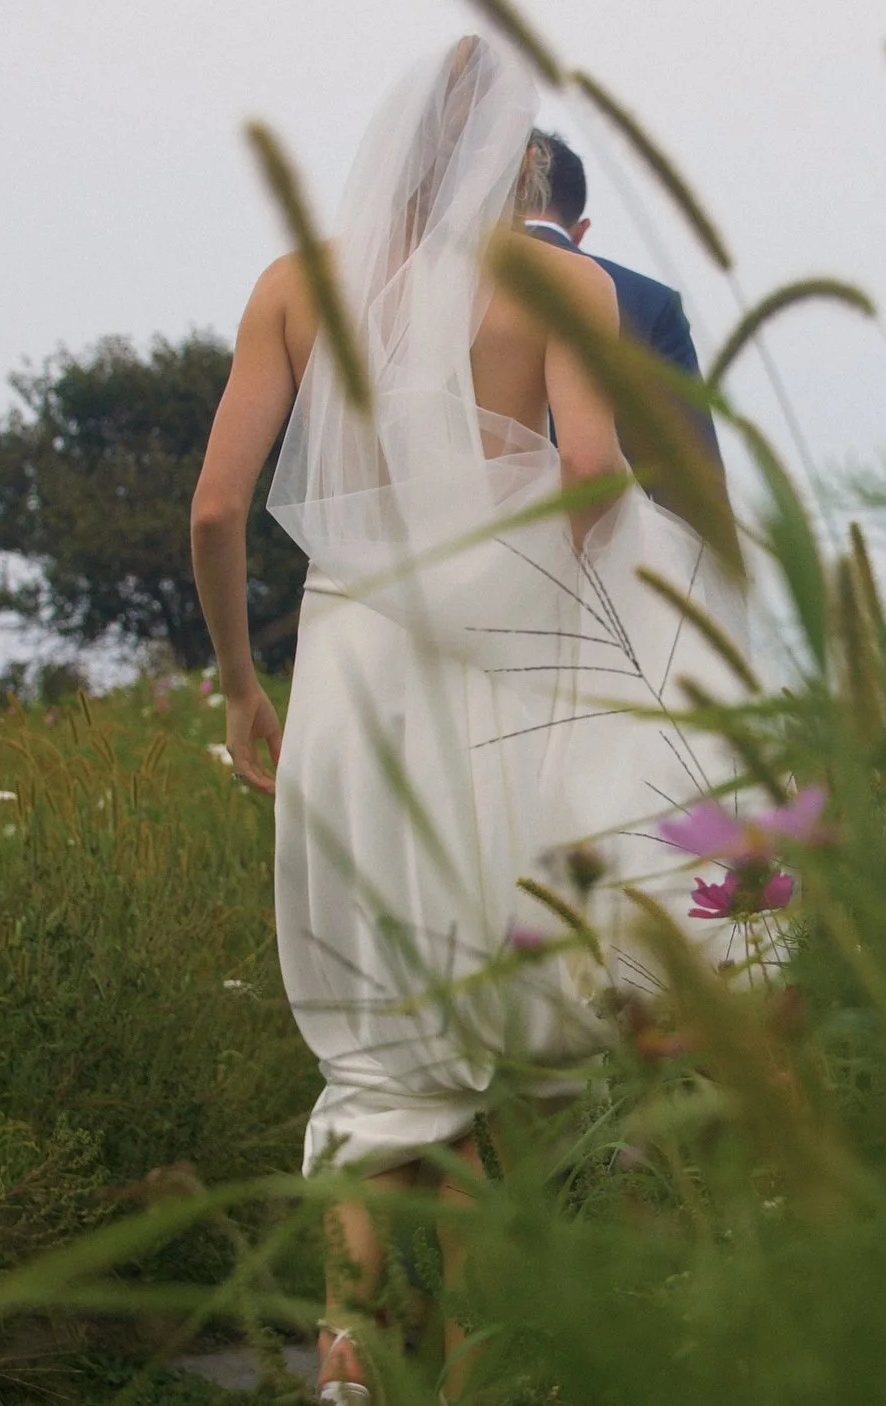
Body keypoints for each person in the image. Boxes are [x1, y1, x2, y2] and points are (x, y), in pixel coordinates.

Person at [187, 37, 745, 1403]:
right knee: (528, 1009)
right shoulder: (560, 279)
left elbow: (212, 512)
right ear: (511, 160)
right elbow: (596, 479)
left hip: (352, 673)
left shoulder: (290, 288)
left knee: (382, 1050)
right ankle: (542, 1344)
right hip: (500, 679)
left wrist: (245, 684)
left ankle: (353, 1362)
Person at [520, 131, 726, 493]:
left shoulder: (428, 283)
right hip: (599, 538)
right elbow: (689, 470)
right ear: (580, 231)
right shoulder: (647, 301)